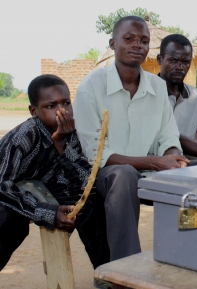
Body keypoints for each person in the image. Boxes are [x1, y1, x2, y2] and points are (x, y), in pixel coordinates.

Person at [73, 16, 189, 263]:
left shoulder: (158, 87)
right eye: (129, 39)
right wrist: (155, 162)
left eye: (144, 41)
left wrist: (170, 157)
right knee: (123, 175)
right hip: (104, 178)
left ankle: (186, 259)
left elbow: (169, 136)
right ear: (113, 43)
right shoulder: (91, 87)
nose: (138, 45)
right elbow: (97, 155)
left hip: (150, 175)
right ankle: (126, 270)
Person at [0, 75, 110, 273]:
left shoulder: (70, 131)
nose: (62, 111)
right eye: (51, 106)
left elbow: (85, 178)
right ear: (34, 111)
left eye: (66, 103)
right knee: (10, 220)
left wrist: (60, 144)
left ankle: (106, 273)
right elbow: (2, 187)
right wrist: (46, 212)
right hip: (11, 192)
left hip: (46, 187)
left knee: (92, 203)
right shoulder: (23, 137)